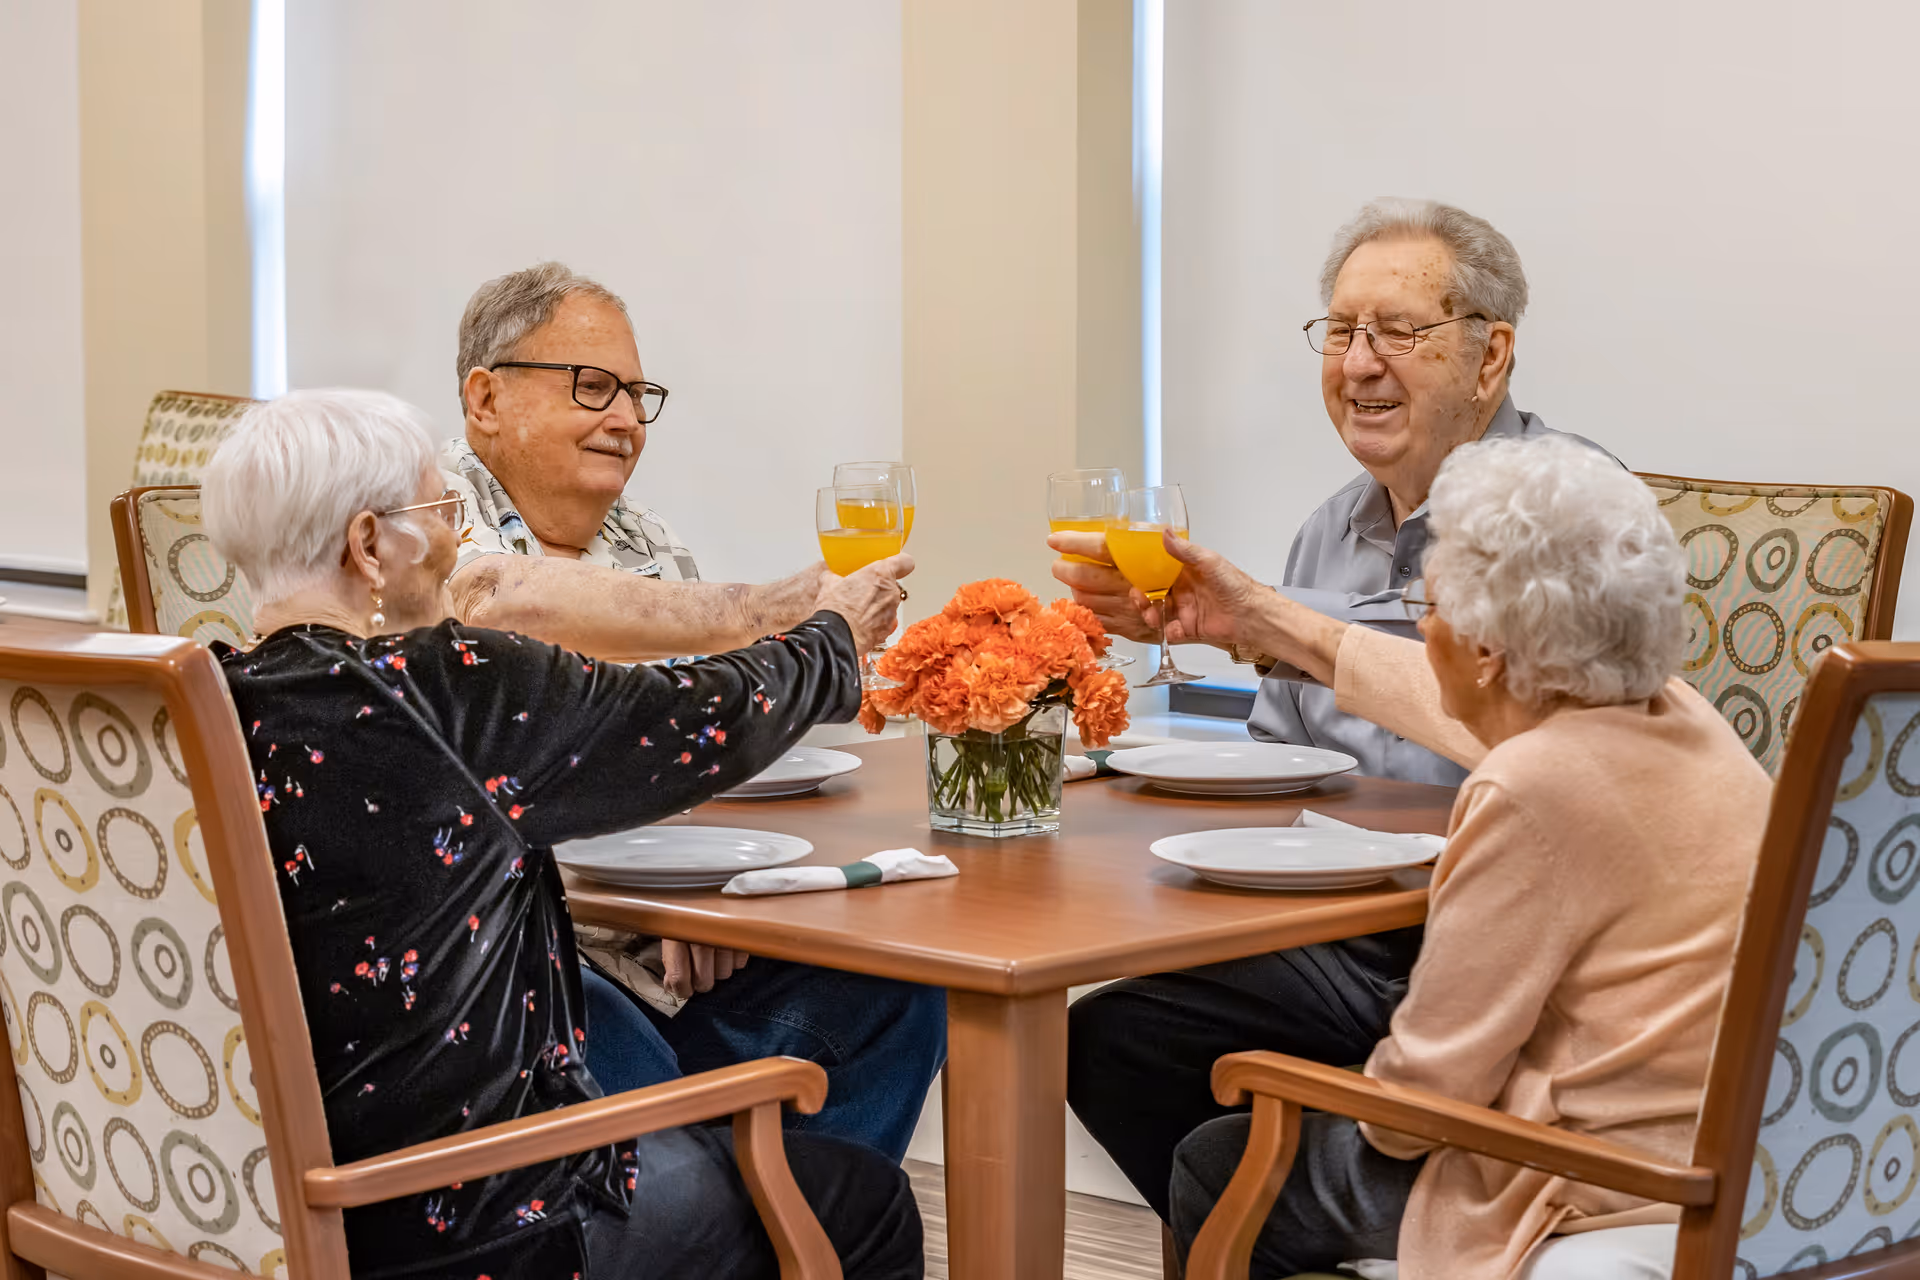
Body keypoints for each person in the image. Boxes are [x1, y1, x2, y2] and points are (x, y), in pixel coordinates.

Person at [203, 388, 924, 1280]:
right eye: (442, 515)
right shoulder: (447, 689)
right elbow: (700, 717)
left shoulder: (197, 705)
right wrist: (834, 638)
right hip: (481, 1223)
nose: (458, 543)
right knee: (866, 1204)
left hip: (261, 1208)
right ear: (367, 544)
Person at [1058, 198, 1615, 1217]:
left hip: (1501, 955)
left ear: (1491, 359)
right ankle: (1308, 1215)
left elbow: (1555, 745)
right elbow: (1284, 759)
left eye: (1398, 332)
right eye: (1343, 331)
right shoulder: (1331, 529)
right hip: (1357, 936)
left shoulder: (1562, 506)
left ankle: (1423, 1208)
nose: (1360, 363)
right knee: (1111, 1040)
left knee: (1212, 1146)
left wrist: (1263, 620)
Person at [1148, 436, 1767, 1276]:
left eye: (1426, 608)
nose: (1419, 629)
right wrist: (1270, 625)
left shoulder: (1530, 783)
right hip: (1723, 1146)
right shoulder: (1685, 719)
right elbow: (1430, 697)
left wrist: (1335, 1093)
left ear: (1486, 652)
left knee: (1218, 1158)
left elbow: (1419, 1105)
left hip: (1596, 1175)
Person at [443, 262, 945, 1161]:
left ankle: (797, 1236)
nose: (627, 421)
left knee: (898, 992)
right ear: (485, 399)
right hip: (523, 954)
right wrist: (784, 610)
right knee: (666, 1128)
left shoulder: (649, 542)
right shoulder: (421, 517)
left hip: (656, 941)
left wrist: (696, 891)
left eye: (639, 396)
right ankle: (720, 1213)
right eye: (592, 387)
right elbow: (496, 606)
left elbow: (697, 739)